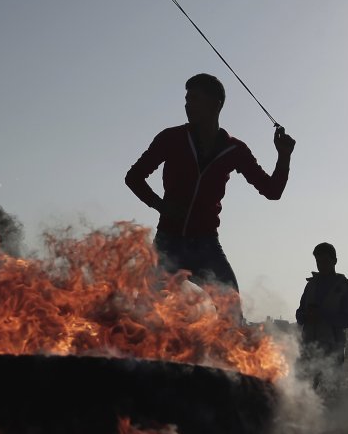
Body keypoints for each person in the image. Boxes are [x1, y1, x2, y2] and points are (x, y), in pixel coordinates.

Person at [125, 73, 295, 320]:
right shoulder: (171, 138)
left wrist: (284, 156)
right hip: (167, 243)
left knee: (231, 310)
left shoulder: (235, 150)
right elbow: (134, 177)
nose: (187, 105)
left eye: (194, 99)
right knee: (147, 312)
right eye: (186, 99)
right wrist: (161, 206)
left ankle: (225, 357)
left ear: (216, 104)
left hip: (206, 245)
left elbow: (272, 191)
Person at [295, 242, 348, 367]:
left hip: (332, 351)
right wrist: (307, 315)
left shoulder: (344, 287)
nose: (321, 265)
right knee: (304, 386)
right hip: (308, 349)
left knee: (328, 385)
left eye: (325, 261)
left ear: (334, 261)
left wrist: (322, 316)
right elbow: (299, 314)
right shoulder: (311, 285)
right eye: (318, 262)